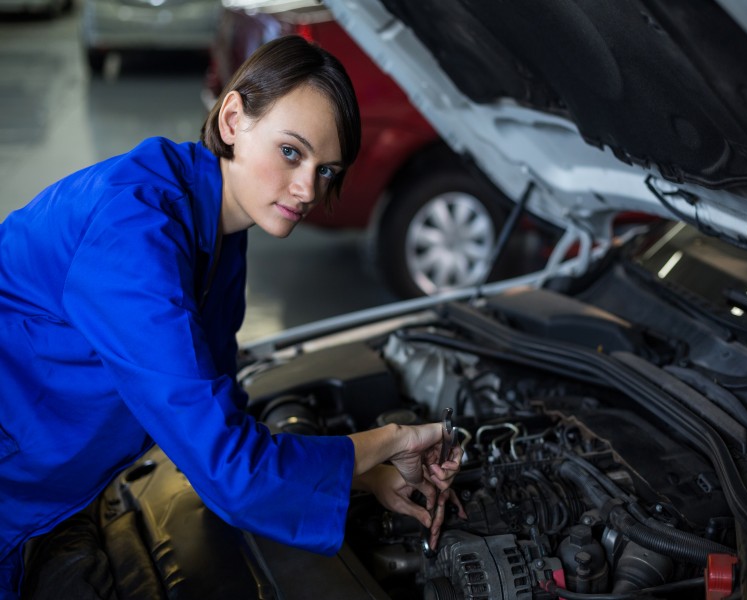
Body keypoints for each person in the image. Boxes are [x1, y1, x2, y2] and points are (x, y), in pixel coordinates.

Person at [0, 36, 463, 598]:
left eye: (326, 170)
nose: (306, 188)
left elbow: (218, 415)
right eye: (292, 152)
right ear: (233, 118)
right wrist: (388, 439)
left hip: (56, 486)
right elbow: (229, 467)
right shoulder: (132, 232)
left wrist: (368, 477)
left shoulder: (219, 230)